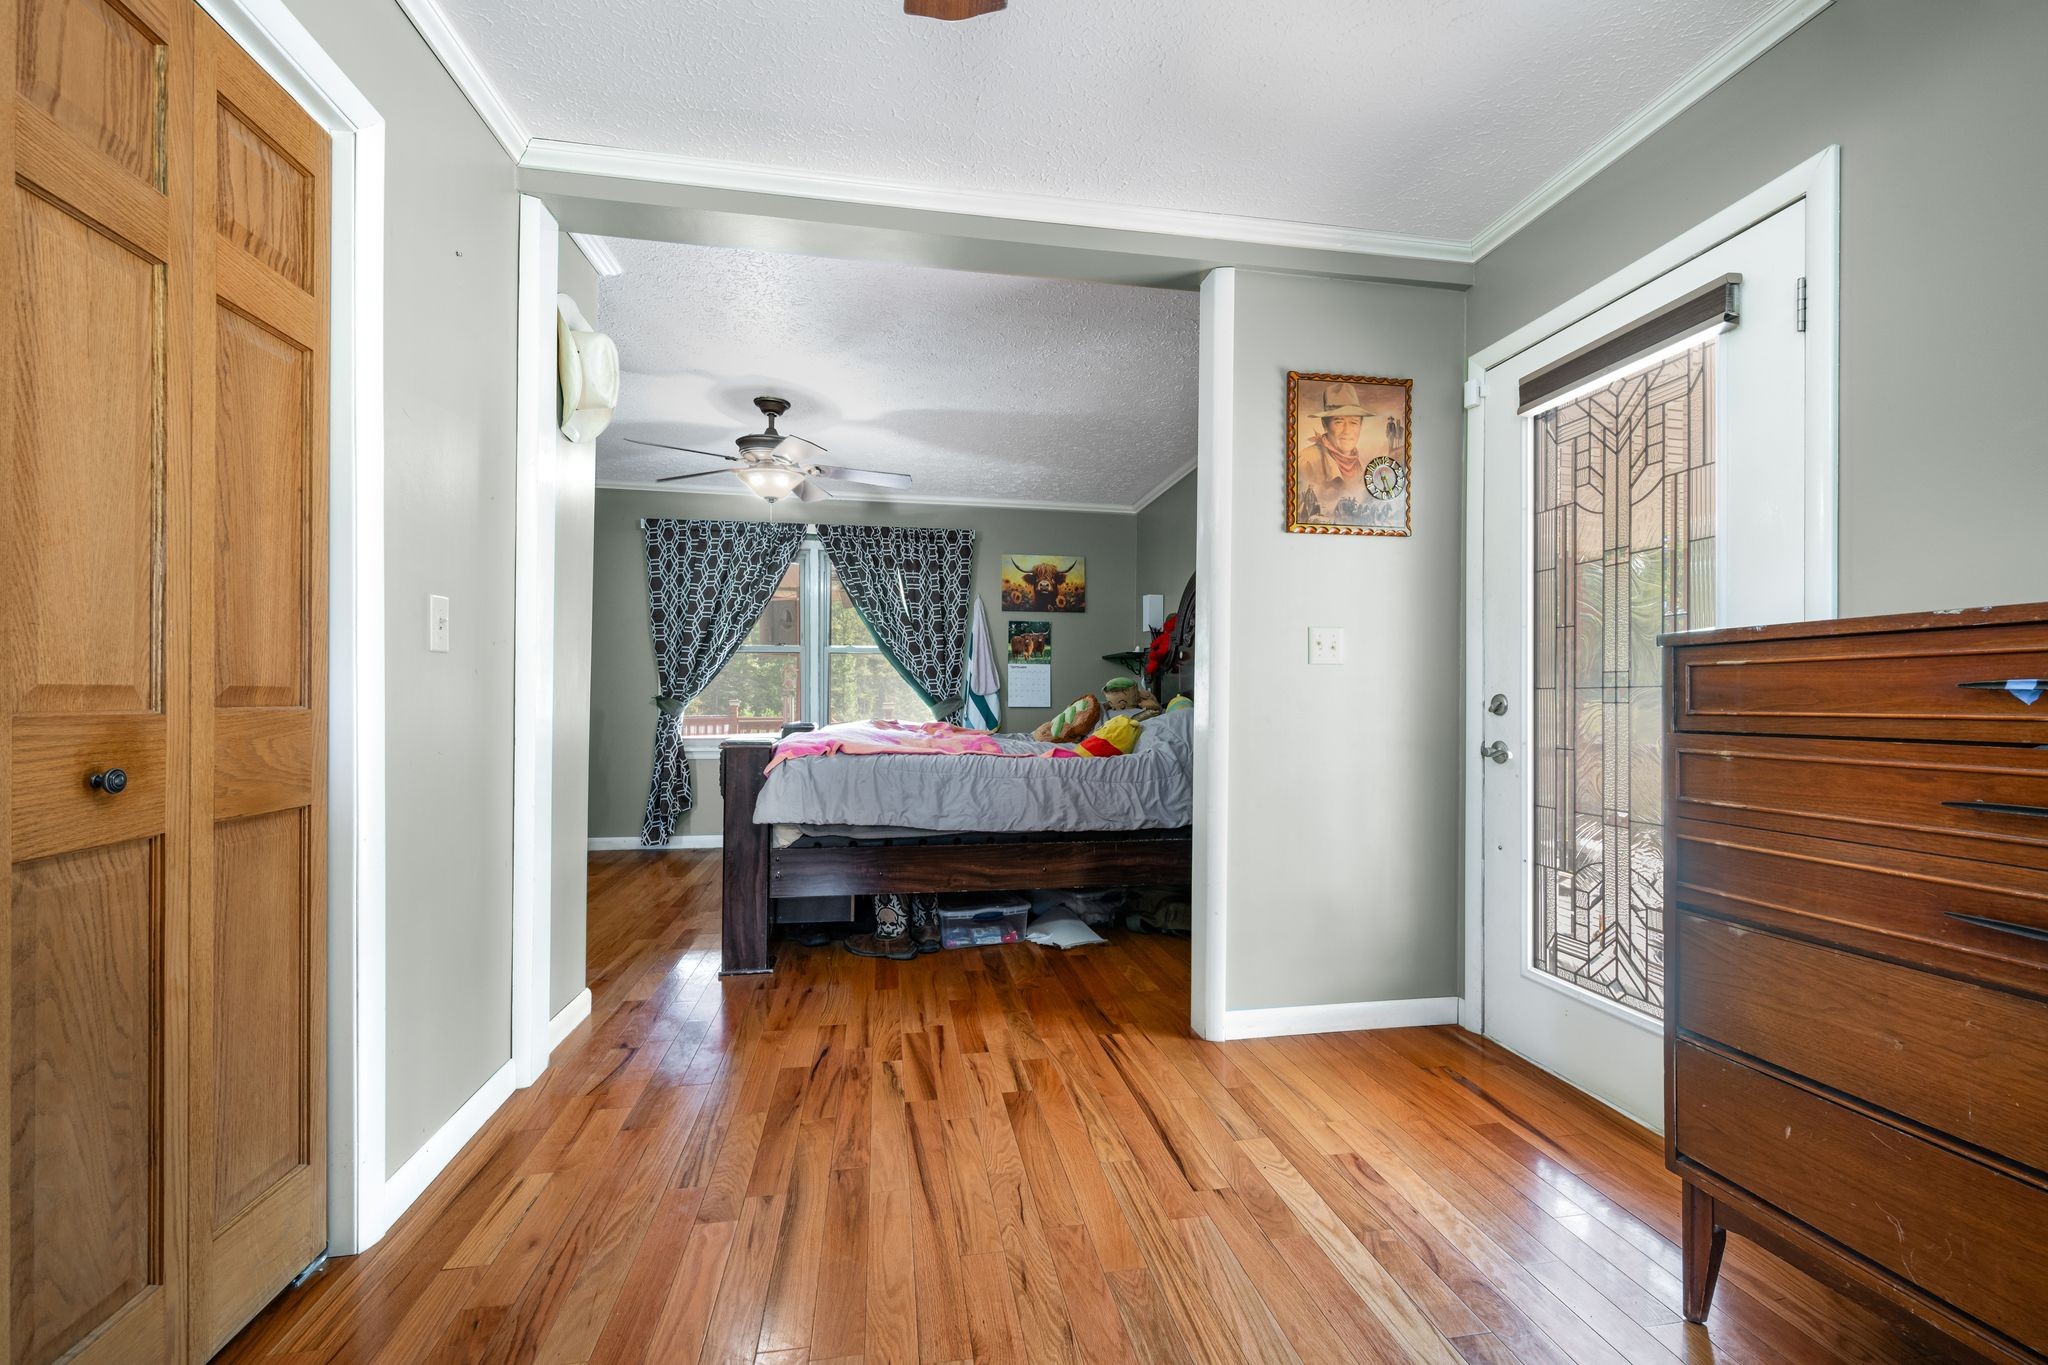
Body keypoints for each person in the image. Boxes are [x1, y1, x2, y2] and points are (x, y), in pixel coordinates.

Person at [1296, 381, 1379, 520]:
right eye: (1339, 422)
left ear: (1361, 426)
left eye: (1354, 422)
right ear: (1324, 424)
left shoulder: (1365, 465)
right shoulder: (1307, 460)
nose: (1347, 431)